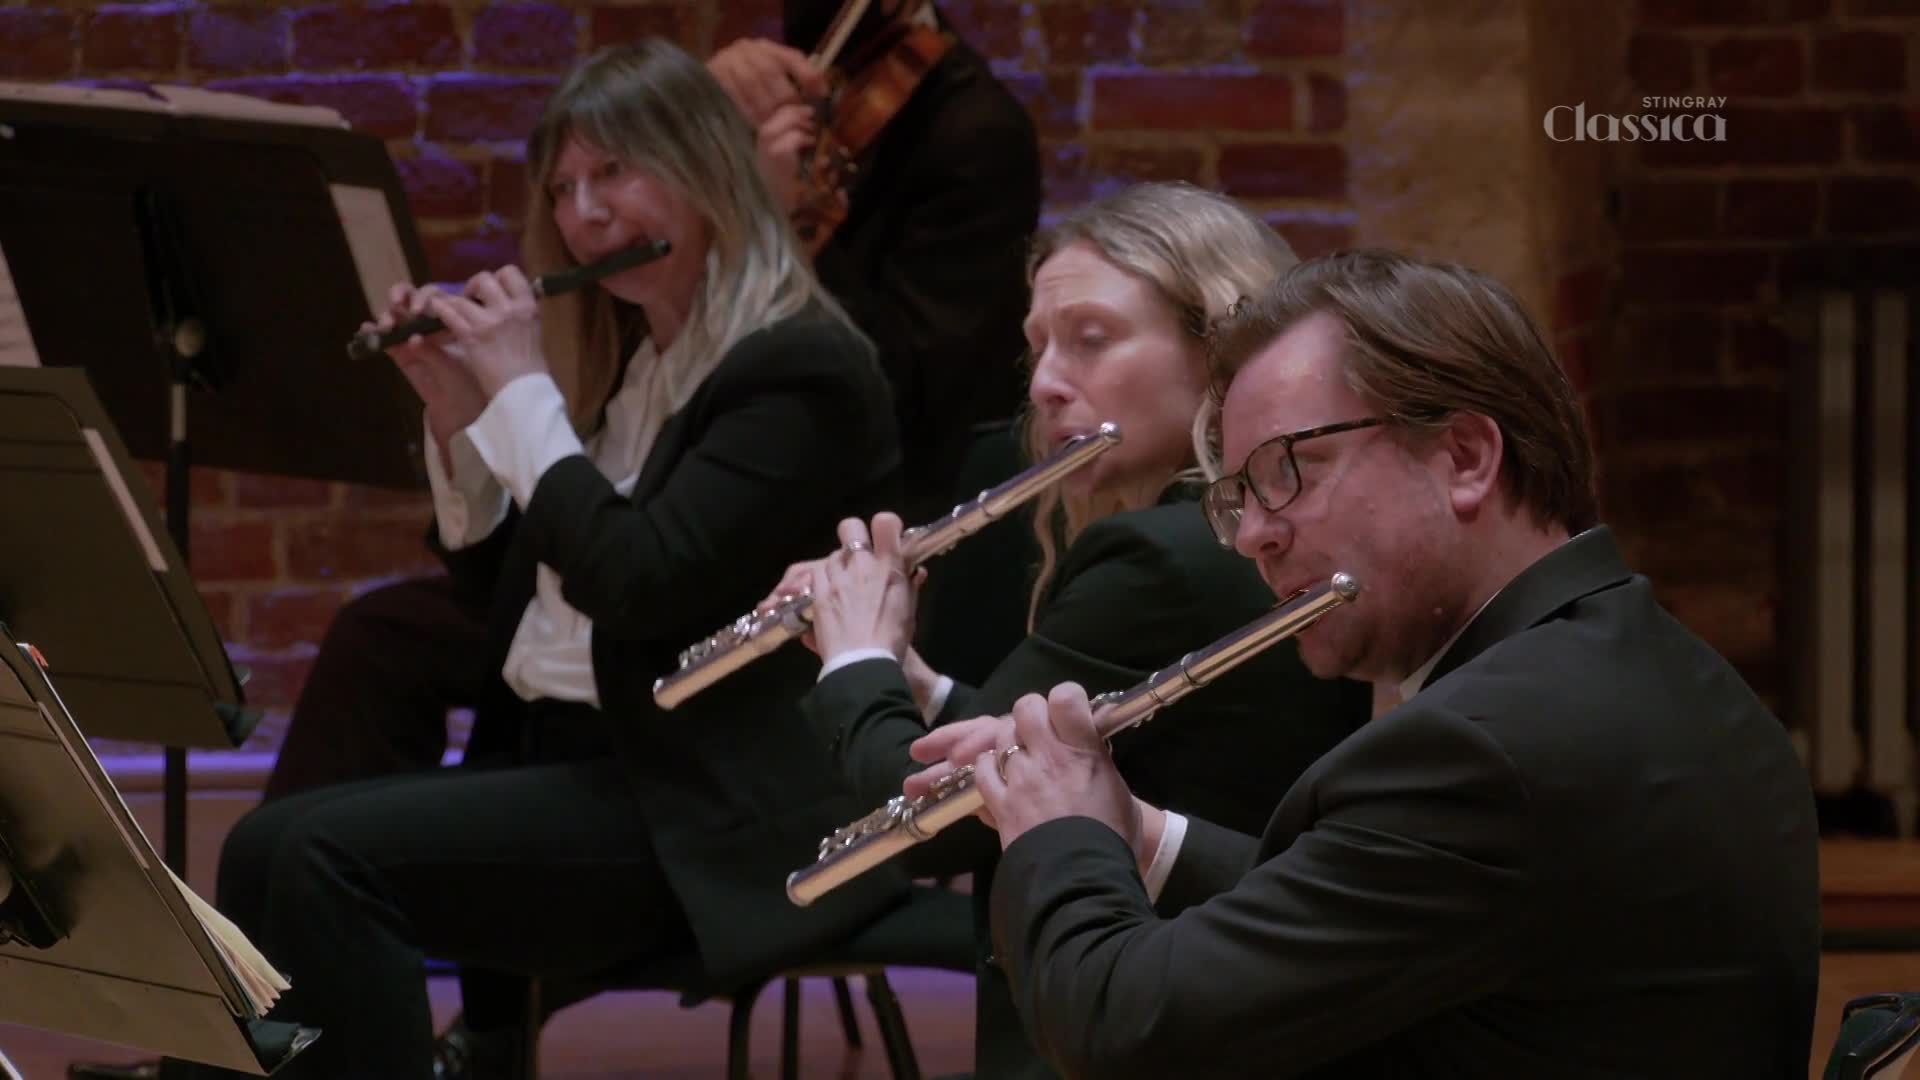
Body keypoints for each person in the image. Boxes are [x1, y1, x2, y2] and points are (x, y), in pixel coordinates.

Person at [166, 39, 909, 1079]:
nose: (585, 214)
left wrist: (522, 394)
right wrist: (463, 414)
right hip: (584, 764)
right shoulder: (651, 357)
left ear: (707, 170)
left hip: (699, 812)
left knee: (310, 859)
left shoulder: (797, 370)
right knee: (282, 844)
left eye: (616, 171)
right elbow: (516, 592)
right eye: (564, 186)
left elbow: (637, 579)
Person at [911, 250, 1823, 1078]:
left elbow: (1120, 1026)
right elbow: (1368, 902)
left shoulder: (1484, 750)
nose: (1257, 536)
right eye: (1239, 497)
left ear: (1464, 456)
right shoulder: (1646, 662)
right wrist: (1133, 829)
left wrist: (1055, 830)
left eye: (1286, 471)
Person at [768, 182, 1375, 1078]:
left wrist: (856, 653)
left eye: (1090, 340)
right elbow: (1065, 742)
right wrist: (915, 675)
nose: (1048, 383)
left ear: (1219, 346)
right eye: (1039, 348)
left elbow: (941, 815)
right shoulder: (1206, 540)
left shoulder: (1166, 555)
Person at [708, 0, 1042, 522]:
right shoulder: (821, 67)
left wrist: (794, 227)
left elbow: (915, 389)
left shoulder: (977, 135)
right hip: (766, 456)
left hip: (888, 510)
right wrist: (701, 119)